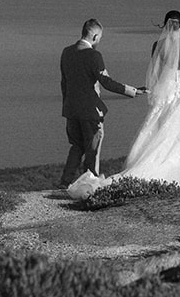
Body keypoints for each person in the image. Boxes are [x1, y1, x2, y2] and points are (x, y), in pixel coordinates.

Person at [66, 10, 180, 198]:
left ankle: (69, 179)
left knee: (161, 129)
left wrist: (146, 91)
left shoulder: (157, 45)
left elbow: (156, 73)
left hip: (167, 91)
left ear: (165, 25)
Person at [59, 18, 145, 188]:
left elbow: (64, 83)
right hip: (90, 111)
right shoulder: (94, 56)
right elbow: (106, 82)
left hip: (71, 109)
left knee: (76, 146)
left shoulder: (66, 52)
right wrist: (132, 91)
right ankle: (90, 185)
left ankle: (65, 181)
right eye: (100, 38)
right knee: (93, 149)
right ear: (95, 36)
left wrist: (67, 105)